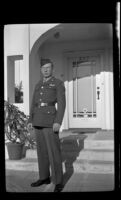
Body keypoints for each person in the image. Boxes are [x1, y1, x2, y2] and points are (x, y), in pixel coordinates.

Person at [27, 58, 66, 192]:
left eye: (48, 67)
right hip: (37, 120)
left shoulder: (58, 83)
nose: (46, 70)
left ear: (52, 69)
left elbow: (62, 104)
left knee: (54, 153)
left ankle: (58, 181)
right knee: (41, 152)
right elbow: (33, 103)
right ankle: (44, 177)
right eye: (43, 68)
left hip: (50, 122)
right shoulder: (38, 84)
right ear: (40, 69)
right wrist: (30, 120)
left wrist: (58, 121)